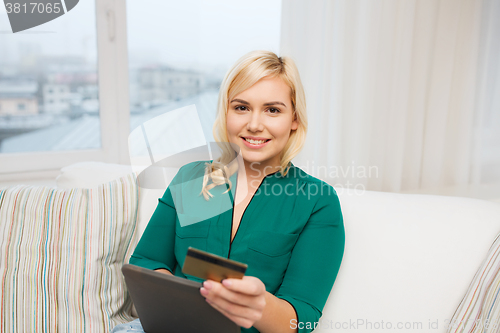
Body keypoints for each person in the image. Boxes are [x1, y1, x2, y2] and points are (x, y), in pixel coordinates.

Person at [111, 50, 345, 333]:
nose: (255, 124)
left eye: (273, 110)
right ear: (226, 113)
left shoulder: (316, 201)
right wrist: (177, 301)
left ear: (294, 118)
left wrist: (260, 305)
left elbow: (302, 318)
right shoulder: (195, 178)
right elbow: (148, 261)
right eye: (241, 107)